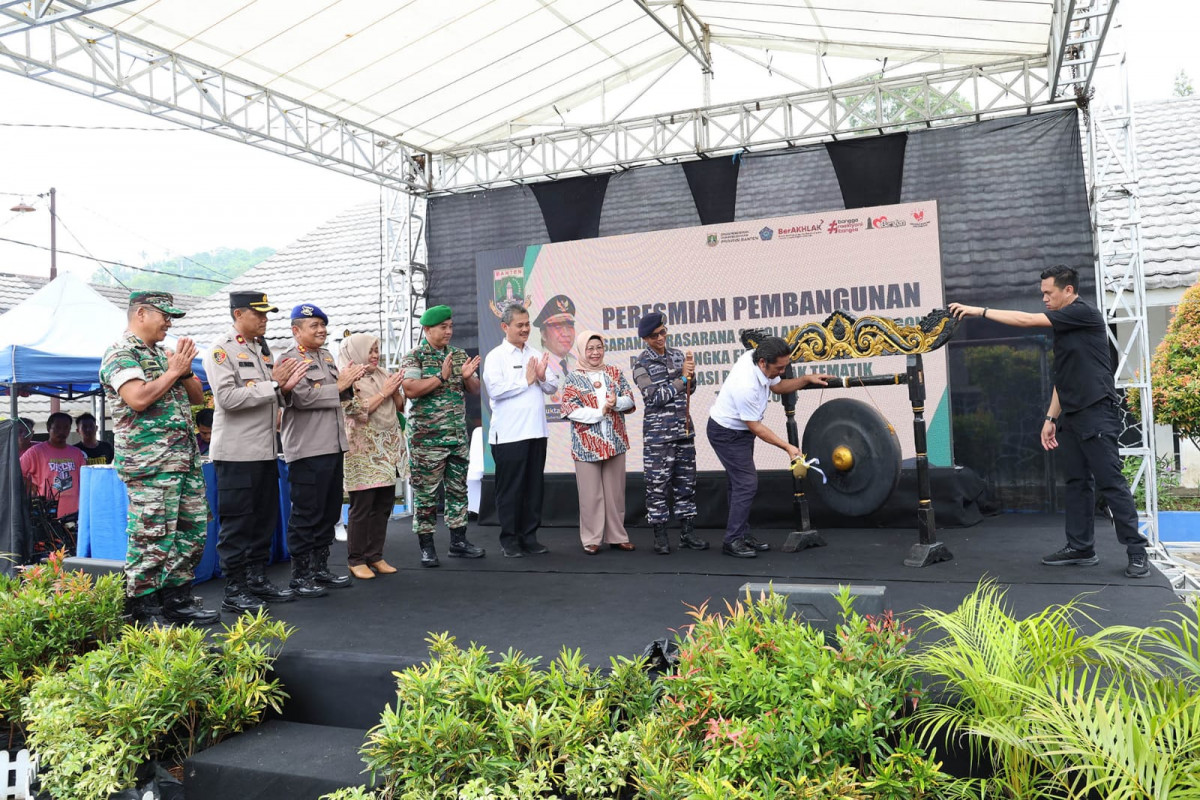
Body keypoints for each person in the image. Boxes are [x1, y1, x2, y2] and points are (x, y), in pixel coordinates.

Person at [949, 265, 1151, 578]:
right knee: (1076, 483)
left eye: (1048, 293)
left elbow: (1025, 320)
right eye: (1042, 292)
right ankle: (1081, 548)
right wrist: (1050, 417)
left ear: (1068, 290)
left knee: (1111, 484)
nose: (1044, 298)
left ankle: (1137, 552)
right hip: (1071, 414)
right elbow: (1063, 375)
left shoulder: (1083, 313)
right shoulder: (1064, 325)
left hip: (1096, 411)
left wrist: (980, 311)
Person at [99, 291, 219, 625]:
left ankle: (176, 600)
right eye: (163, 315)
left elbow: (198, 398)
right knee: (151, 537)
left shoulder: (165, 354)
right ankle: (143, 609)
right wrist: (172, 371)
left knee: (191, 533)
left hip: (184, 462)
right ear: (140, 314)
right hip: (150, 465)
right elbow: (137, 398)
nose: (169, 322)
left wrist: (180, 370)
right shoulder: (120, 353)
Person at [204, 290, 308, 613]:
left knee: (264, 519)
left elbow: (271, 397)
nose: (265, 319)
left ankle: (256, 578)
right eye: (258, 313)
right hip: (236, 454)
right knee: (238, 524)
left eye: (267, 314)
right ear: (238, 315)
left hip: (264, 451)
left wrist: (284, 391)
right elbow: (227, 399)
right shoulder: (222, 350)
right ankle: (235, 588)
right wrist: (274, 386)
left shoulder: (262, 351)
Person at [706, 337, 833, 558]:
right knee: (746, 484)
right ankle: (732, 540)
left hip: (740, 432)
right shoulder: (746, 385)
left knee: (739, 484)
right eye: (779, 368)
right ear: (763, 362)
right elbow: (755, 426)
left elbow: (779, 387)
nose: (783, 372)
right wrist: (787, 447)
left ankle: (741, 534)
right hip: (726, 433)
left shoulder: (756, 360)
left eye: (785, 366)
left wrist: (805, 379)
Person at [279, 303, 361, 596]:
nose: (321, 330)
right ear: (296, 330)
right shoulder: (290, 360)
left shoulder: (326, 356)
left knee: (328, 512)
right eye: (313, 326)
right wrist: (340, 386)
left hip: (332, 444)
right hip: (307, 448)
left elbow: (340, 393)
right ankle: (300, 576)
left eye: (322, 325)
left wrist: (349, 383)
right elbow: (301, 398)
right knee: (306, 513)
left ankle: (320, 569)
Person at [400, 305, 483, 566]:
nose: (448, 331)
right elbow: (411, 389)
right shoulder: (415, 357)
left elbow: (475, 389)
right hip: (427, 441)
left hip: (457, 437)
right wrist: (440, 377)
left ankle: (458, 542)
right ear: (427, 329)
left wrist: (467, 378)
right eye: (442, 327)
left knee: (458, 492)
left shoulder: (458, 355)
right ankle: (427, 547)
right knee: (426, 495)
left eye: (450, 326)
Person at [481, 304, 558, 557]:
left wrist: (542, 377)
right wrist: (525, 380)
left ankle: (529, 536)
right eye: (520, 325)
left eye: (527, 324)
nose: (526, 329)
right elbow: (495, 390)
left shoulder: (535, 353)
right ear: (505, 327)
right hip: (509, 436)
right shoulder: (496, 357)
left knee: (533, 489)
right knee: (511, 490)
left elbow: (553, 386)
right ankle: (510, 540)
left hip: (536, 433)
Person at [631, 312, 708, 554]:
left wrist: (691, 378)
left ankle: (687, 533)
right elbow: (655, 397)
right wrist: (682, 377)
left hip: (684, 431)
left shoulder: (677, 355)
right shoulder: (641, 364)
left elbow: (690, 389)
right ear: (645, 338)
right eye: (655, 336)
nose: (661, 337)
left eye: (663, 332)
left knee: (686, 484)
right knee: (657, 486)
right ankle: (660, 535)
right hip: (658, 436)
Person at [560, 331, 637, 554]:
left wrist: (615, 403)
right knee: (590, 494)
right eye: (590, 348)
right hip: (587, 443)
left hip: (615, 441)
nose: (595, 353)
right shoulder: (573, 377)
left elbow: (630, 400)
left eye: (598, 347)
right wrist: (599, 411)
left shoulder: (614, 372)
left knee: (615, 493)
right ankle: (592, 539)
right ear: (582, 351)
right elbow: (570, 409)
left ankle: (617, 536)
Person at [339, 333, 408, 580]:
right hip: (362, 450)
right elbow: (354, 410)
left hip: (387, 448)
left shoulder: (381, 375)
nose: (375, 355)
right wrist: (385, 392)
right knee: (363, 506)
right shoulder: (347, 377)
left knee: (382, 505)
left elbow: (399, 406)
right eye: (370, 350)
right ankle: (356, 559)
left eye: (377, 349)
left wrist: (395, 389)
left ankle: (375, 555)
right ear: (357, 352)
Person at [20, 412, 86, 520]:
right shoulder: (36, 451)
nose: (62, 431)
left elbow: (84, 478)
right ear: (48, 428)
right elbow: (16, 472)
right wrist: (30, 485)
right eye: (57, 428)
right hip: (47, 513)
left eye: (66, 428)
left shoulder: (77, 453)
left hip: (74, 512)